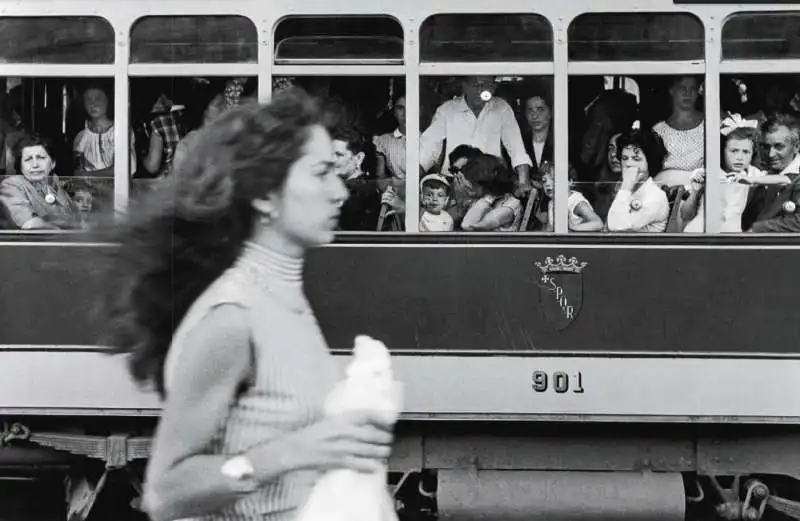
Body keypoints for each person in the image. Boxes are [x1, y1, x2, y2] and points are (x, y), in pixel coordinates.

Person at [97, 89, 394, 521]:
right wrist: (294, 450)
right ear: (263, 196)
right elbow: (165, 492)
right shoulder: (233, 317)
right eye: (321, 173)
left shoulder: (285, 299)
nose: (340, 192)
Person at [0, 135, 77, 230]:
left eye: (41, 158)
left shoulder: (54, 182)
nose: (35, 165)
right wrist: (64, 234)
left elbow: (73, 218)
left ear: (53, 163)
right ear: (21, 167)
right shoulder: (11, 185)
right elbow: (30, 224)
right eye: (28, 159)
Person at [606, 125, 670, 233]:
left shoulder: (655, 196)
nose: (628, 164)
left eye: (636, 159)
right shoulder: (630, 191)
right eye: (624, 158)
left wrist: (626, 185)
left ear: (650, 162)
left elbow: (617, 227)